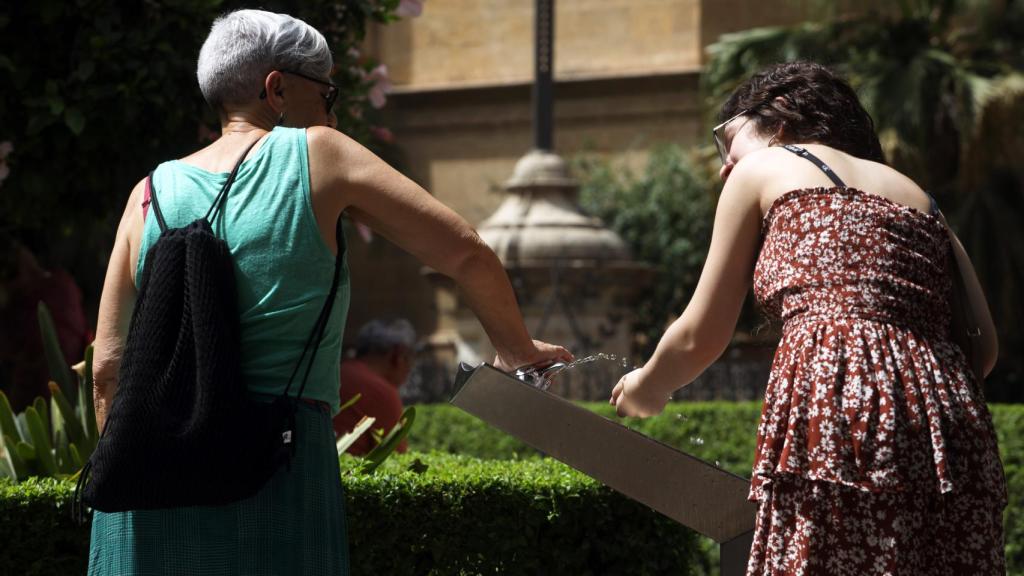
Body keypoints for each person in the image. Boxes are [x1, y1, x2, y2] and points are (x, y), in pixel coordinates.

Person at [88, 9, 571, 575]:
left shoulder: (146, 193)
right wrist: (516, 351)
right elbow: (466, 252)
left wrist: (156, 463)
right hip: (275, 471)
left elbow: (107, 368)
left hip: (145, 497)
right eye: (327, 96)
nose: (333, 116)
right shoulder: (319, 152)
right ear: (277, 89)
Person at [611, 61, 1006, 574]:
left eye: (728, 142)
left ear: (778, 122)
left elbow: (700, 334)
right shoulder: (922, 199)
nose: (725, 166)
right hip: (950, 425)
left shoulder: (763, 168)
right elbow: (984, 347)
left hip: (838, 400)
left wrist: (646, 387)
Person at [333, 318, 416, 454]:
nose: (409, 369)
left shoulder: (336, 373)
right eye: (410, 358)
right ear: (398, 356)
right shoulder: (382, 392)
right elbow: (396, 457)